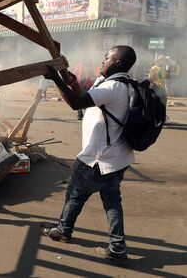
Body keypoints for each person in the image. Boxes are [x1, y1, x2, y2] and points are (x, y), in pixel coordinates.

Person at [39, 45, 137, 265]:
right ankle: (118, 248)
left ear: (117, 63)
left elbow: (77, 102)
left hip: (97, 159)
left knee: (74, 195)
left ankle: (63, 231)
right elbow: (87, 95)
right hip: (117, 159)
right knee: (112, 203)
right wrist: (73, 84)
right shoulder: (126, 85)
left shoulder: (113, 87)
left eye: (106, 59)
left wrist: (55, 78)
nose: (102, 62)